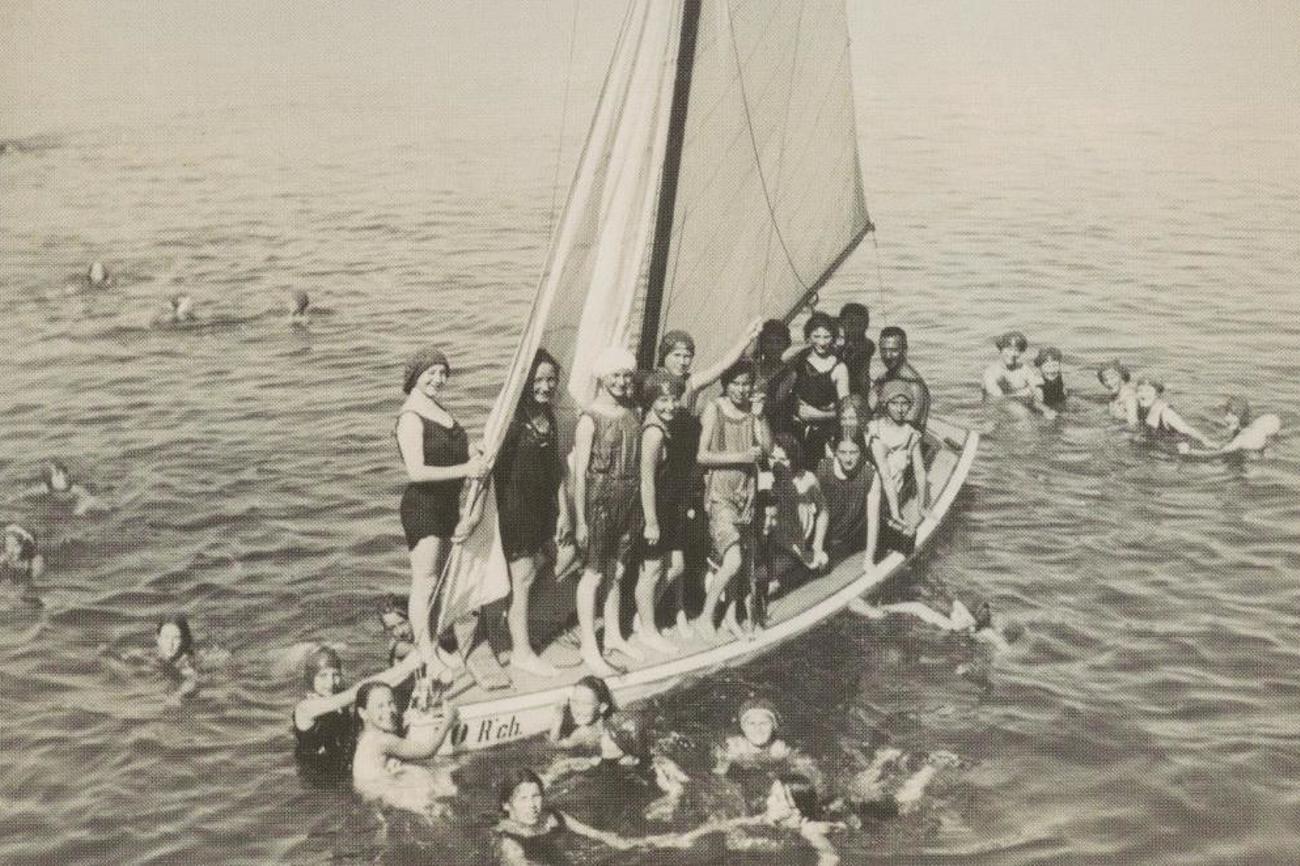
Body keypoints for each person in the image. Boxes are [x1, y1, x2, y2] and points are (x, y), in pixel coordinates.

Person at [394, 346, 488, 669]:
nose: (438, 379)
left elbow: (449, 449)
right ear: (415, 377)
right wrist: (467, 469)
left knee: (440, 582)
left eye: (442, 373)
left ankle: (433, 643)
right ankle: (426, 654)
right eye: (431, 373)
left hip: (447, 504)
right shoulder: (410, 417)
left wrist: (472, 450)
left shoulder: (436, 407)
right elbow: (416, 472)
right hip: (423, 506)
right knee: (425, 583)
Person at [495, 349, 569, 676]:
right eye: (538, 380)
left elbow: (555, 470)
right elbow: (492, 469)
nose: (545, 386)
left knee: (563, 557)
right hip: (516, 509)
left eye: (551, 379)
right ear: (525, 382)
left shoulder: (547, 416)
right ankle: (522, 652)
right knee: (522, 577)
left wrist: (565, 512)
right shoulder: (512, 420)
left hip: (542, 508)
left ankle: (517, 624)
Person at [572, 346, 642, 676]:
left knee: (618, 569)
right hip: (599, 500)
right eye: (615, 375)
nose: (621, 381)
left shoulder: (631, 412)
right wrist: (580, 520)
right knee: (594, 574)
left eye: (626, 375)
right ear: (602, 377)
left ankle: (613, 635)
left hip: (628, 497)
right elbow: (579, 474)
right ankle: (589, 645)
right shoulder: (589, 419)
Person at [695, 359, 772, 639]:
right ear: (726, 385)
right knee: (733, 561)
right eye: (736, 384)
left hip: (747, 493)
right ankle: (705, 617)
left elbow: (767, 449)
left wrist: (761, 418)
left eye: (746, 384)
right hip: (720, 494)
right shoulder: (714, 409)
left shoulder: (753, 411)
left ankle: (730, 618)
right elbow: (702, 456)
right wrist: (742, 457)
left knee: (742, 562)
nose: (741, 390)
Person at [495, 768, 690, 865]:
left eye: (536, 796)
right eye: (522, 799)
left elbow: (598, 835)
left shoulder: (553, 817)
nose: (532, 806)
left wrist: (653, 841)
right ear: (506, 805)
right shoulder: (508, 842)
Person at [292, 646, 423, 782]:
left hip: (345, 773)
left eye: (335, 675)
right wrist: (406, 666)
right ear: (311, 679)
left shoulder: (339, 703)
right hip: (320, 783)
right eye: (323, 676)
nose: (330, 682)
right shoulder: (305, 709)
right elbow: (359, 691)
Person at [351, 677, 459, 817]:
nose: (389, 710)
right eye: (380, 706)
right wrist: (447, 721)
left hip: (366, 791)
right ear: (363, 713)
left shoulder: (364, 736)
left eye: (391, 703)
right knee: (443, 780)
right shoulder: (383, 740)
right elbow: (428, 751)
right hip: (383, 792)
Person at [636, 370, 689, 653]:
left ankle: (642, 616)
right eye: (663, 400)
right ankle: (648, 630)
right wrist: (651, 522)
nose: (670, 406)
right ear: (651, 401)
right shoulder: (654, 433)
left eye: (674, 399)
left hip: (669, 507)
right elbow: (646, 481)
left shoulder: (667, 426)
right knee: (652, 570)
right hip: (653, 512)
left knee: (676, 565)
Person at [868, 381, 929, 548]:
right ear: (886, 404)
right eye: (895, 403)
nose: (900, 409)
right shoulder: (874, 429)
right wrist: (896, 514)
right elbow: (885, 475)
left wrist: (921, 505)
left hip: (894, 494)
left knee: (907, 538)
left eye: (905, 404)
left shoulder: (911, 435)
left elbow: (920, 472)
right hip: (873, 492)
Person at [765, 433, 828, 587]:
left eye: (783, 459)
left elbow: (823, 511)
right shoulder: (766, 480)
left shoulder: (807, 478)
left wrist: (818, 544)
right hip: (777, 546)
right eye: (772, 458)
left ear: (793, 459)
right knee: (763, 576)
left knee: (821, 561)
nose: (776, 464)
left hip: (800, 544)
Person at [848, 597, 1019, 652]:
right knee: (916, 608)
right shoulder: (982, 628)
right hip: (954, 631)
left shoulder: (977, 629)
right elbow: (957, 604)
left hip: (950, 630)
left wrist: (965, 619)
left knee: (916, 608)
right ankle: (873, 610)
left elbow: (957, 604)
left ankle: (872, 610)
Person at [791, 312, 849, 469]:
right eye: (816, 336)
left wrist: (818, 415)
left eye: (827, 337)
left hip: (826, 428)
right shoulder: (798, 360)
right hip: (798, 425)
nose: (822, 343)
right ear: (808, 337)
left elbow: (845, 410)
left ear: (834, 338)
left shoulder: (839, 367)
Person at [815, 434, 882, 565]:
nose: (848, 459)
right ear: (835, 452)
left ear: (861, 451)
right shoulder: (824, 469)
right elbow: (818, 512)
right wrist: (817, 547)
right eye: (842, 452)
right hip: (827, 537)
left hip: (852, 538)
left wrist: (869, 559)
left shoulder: (870, 475)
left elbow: (873, 521)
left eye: (853, 452)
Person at [869, 326, 930, 432]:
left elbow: (907, 429)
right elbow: (868, 410)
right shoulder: (882, 380)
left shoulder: (915, 386)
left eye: (894, 350)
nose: (888, 356)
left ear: (905, 350)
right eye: (884, 350)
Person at [1135, 377, 1217, 449]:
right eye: (1140, 390)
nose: (1143, 394)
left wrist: (1206, 442)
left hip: (1181, 442)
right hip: (1160, 442)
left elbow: (1187, 429)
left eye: (1148, 391)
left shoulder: (1166, 413)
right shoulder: (1142, 409)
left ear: (1157, 394)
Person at [753, 319, 796, 435]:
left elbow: (774, 407)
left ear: (786, 345)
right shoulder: (753, 369)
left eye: (778, 342)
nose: (774, 347)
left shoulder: (789, 374)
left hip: (774, 429)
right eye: (769, 342)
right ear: (762, 344)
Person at [15, 460, 105, 515]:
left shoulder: (74, 489)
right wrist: (13, 499)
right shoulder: (46, 488)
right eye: (56, 475)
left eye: (64, 473)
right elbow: (25, 494)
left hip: (71, 503)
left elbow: (92, 500)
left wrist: (80, 510)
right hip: (57, 505)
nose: (63, 477)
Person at [981, 330, 1037, 408]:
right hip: (996, 409)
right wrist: (1021, 394)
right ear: (1001, 349)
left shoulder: (1025, 370)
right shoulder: (991, 372)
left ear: (1021, 352)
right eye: (1009, 349)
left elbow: (1036, 390)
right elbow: (997, 397)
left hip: (1020, 405)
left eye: (1016, 350)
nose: (1012, 354)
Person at [1212, 396, 1282, 454]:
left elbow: (1216, 453)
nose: (1226, 418)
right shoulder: (1248, 431)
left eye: (1232, 414)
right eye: (1227, 413)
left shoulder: (1241, 441)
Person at [155, 614, 200, 696]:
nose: (170, 644)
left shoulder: (188, 663)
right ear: (158, 639)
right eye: (166, 637)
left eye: (176, 638)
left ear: (185, 640)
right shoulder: (153, 657)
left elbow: (190, 682)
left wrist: (177, 695)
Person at [837, 302, 875, 398]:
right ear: (842, 323)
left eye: (860, 324)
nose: (855, 329)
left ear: (866, 325)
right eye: (851, 324)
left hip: (858, 393)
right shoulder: (840, 345)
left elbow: (854, 359)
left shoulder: (867, 346)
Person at [1097, 360, 1139, 427]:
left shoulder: (1129, 397)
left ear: (1122, 376)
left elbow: (1133, 423)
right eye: (1105, 380)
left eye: (1112, 378)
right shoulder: (1115, 395)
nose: (1109, 383)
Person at [378, 594, 416, 667]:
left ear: (411, 618)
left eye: (402, 623)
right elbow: (426, 653)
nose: (400, 632)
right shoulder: (398, 646)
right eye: (392, 628)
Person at [1032, 346, 1067, 418]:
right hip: (1043, 409)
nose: (1052, 370)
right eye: (1048, 366)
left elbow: (1064, 394)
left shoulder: (1060, 378)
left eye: (1055, 365)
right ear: (1040, 369)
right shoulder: (1039, 385)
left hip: (1056, 404)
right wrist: (1047, 410)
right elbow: (1037, 403)